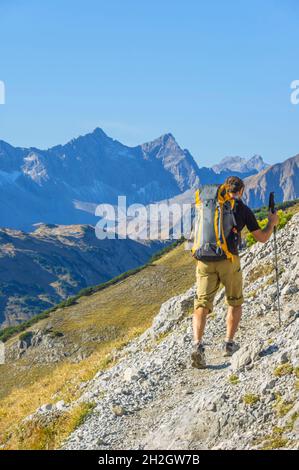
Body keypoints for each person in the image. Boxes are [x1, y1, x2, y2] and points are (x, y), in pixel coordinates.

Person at [191, 176, 279, 369]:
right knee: (234, 301)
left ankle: (197, 345)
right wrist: (271, 223)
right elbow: (262, 238)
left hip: (204, 260)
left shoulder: (209, 204)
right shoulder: (242, 209)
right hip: (229, 260)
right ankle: (229, 344)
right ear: (241, 191)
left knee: (201, 303)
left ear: (224, 188)